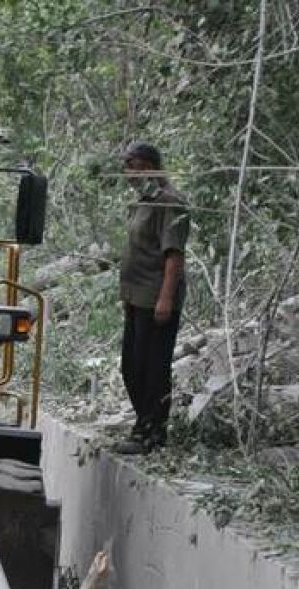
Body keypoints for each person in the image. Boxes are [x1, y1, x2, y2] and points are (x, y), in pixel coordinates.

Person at [115, 141, 190, 455]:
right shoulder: (141, 201)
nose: (127, 173)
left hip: (156, 298)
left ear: (147, 167)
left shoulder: (169, 202)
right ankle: (143, 422)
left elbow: (173, 255)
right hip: (136, 297)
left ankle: (152, 433)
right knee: (131, 366)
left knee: (153, 367)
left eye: (131, 166)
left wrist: (165, 299)